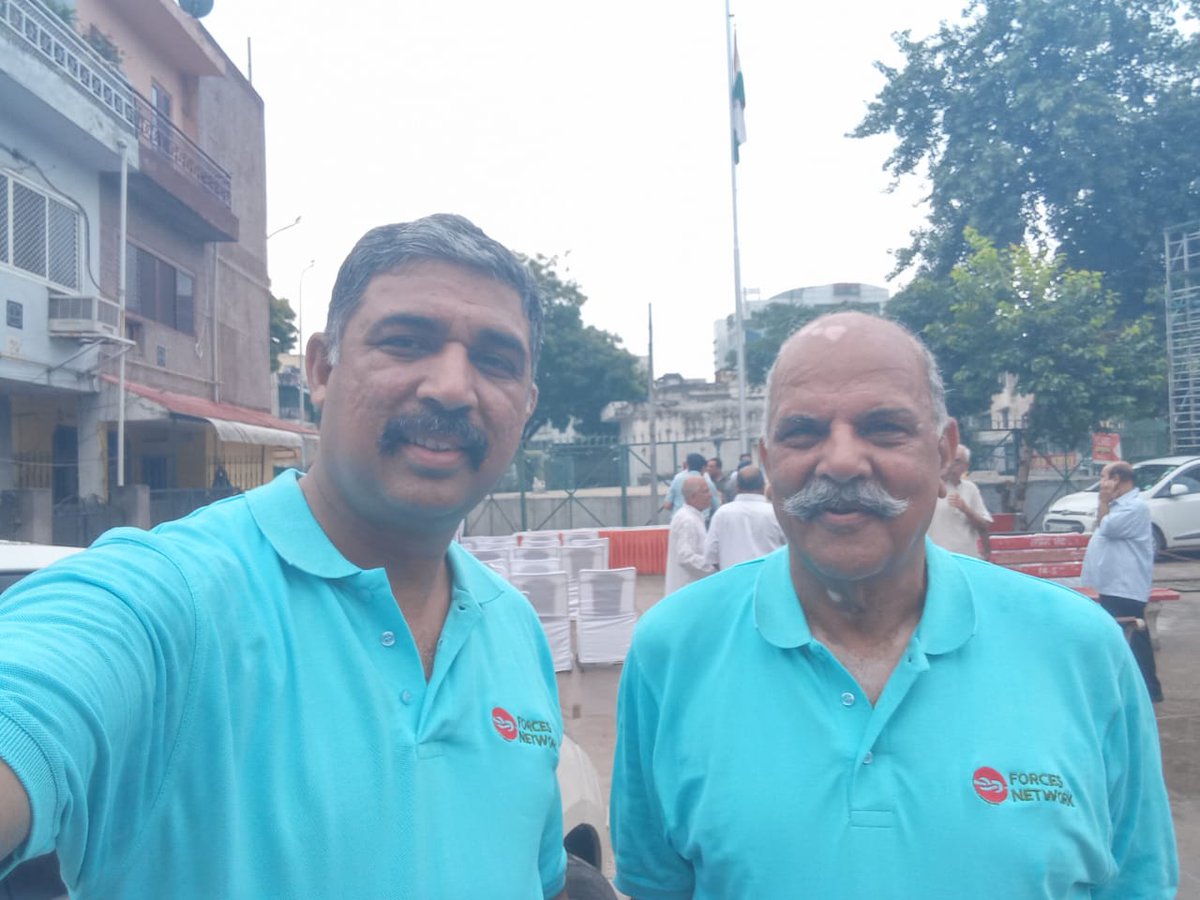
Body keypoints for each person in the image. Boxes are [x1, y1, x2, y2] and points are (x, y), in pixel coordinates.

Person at [0, 215, 571, 899]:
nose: (452, 387)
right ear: (322, 369)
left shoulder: (515, 628)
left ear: (526, 405)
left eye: (496, 360)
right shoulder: (169, 600)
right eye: (406, 342)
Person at [611, 312, 1176, 898]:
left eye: (884, 428)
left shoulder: (1081, 650)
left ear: (945, 454)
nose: (841, 462)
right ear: (769, 462)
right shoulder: (672, 652)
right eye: (803, 432)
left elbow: (1136, 884)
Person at [1080, 460, 1164, 702]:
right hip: (1111, 584)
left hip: (1124, 585)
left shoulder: (1134, 507)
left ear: (1116, 479)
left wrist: (1103, 501)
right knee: (1124, 635)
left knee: (1134, 636)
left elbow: (1108, 528)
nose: (1101, 483)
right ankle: (1135, 686)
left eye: (1104, 477)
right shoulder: (1120, 506)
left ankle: (1149, 689)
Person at [703, 465, 784, 569]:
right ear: (763, 486)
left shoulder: (722, 514)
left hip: (733, 576)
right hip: (768, 575)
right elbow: (790, 550)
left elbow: (711, 554)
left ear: (737, 487)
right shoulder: (775, 513)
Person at [927, 444, 993, 559]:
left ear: (965, 466)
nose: (951, 464)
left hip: (966, 557)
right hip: (935, 558)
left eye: (956, 461)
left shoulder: (970, 488)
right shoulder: (929, 487)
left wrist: (965, 509)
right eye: (948, 458)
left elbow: (984, 525)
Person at [663, 475, 714, 595]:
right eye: (705, 491)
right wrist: (714, 566)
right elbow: (685, 557)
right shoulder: (687, 520)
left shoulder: (692, 517)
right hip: (687, 588)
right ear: (693, 497)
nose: (710, 495)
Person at [661, 453, 719, 520]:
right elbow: (716, 506)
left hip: (678, 520)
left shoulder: (677, 478)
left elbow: (667, 505)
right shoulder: (706, 482)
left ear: (687, 465)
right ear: (703, 467)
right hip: (700, 520)